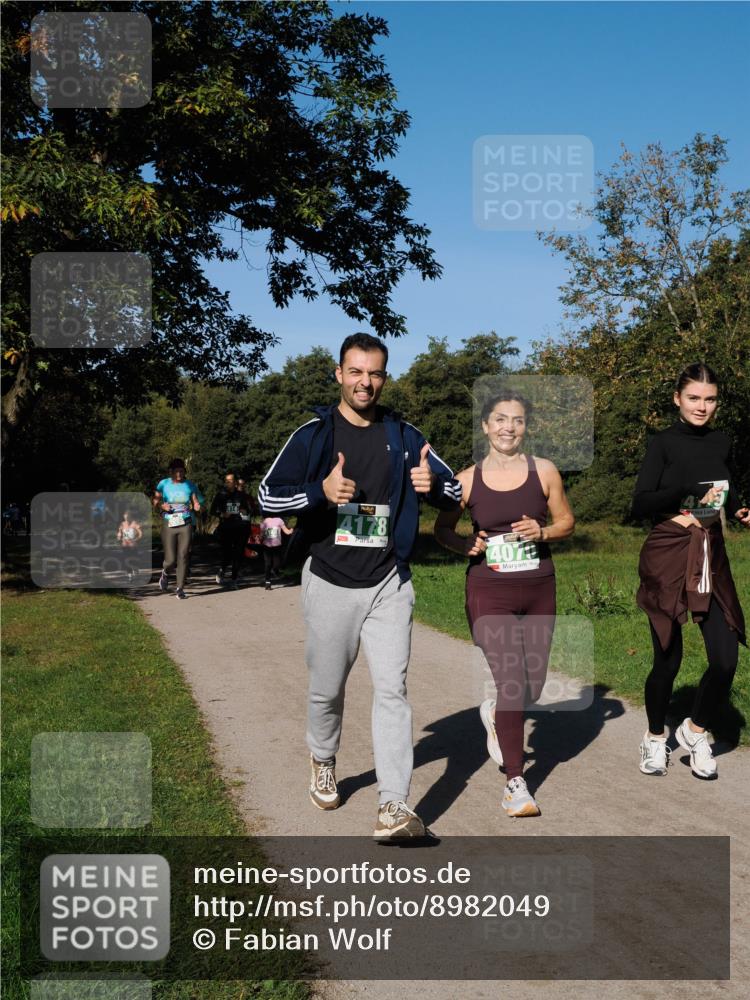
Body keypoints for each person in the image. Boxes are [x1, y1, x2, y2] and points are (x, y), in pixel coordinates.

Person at [259, 332, 462, 840]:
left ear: (385, 377)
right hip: (330, 579)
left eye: (374, 373)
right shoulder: (314, 434)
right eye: (355, 371)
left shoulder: (405, 434)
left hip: (389, 581)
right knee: (327, 690)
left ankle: (393, 805)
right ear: (339, 374)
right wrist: (320, 492)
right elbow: (267, 495)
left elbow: (456, 488)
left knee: (393, 690)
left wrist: (434, 487)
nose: (364, 382)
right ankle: (323, 757)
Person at [434, 391, 575, 817]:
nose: (508, 428)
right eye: (499, 419)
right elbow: (442, 530)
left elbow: (567, 522)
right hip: (489, 590)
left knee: (533, 684)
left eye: (516, 420)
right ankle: (516, 782)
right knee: (512, 680)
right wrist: (465, 544)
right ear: (485, 426)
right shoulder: (466, 480)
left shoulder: (544, 471)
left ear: (525, 427)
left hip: (539, 587)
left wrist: (543, 532)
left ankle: (496, 714)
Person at [632, 362, 748, 779]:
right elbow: (640, 503)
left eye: (710, 399)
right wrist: (682, 492)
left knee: (725, 658)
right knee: (668, 659)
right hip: (668, 552)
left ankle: (695, 731)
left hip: (710, 553)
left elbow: (725, 487)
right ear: (677, 399)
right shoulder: (663, 443)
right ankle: (654, 737)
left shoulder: (720, 441)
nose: (702, 406)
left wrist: (740, 508)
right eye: (694, 398)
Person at [153, 458, 204, 600]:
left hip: (185, 523)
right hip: (169, 523)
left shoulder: (189, 485)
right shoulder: (163, 484)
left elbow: (196, 501)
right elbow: (155, 501)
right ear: (171, 472)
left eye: (182, 471)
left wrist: (197, 506)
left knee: (183, 555)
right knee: (170, 560)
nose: (179, 474)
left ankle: (180, 588)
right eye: (177, 471)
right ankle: (165, 573)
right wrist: (162, 506)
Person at [211, 473, 253, 589]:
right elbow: (212, 510)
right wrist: (222, 514)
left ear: (235, 482)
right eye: (227, 481)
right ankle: (222, 569)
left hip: (240, 527)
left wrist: (245, 511)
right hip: (226, 527)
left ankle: (234, 579)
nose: (229, 483)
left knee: (238, 553)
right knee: (227, 553)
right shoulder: (221, 495)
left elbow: (248, 509)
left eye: (231, 481)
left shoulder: (241, 495)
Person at [259, 514, 293, 589]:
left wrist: (292, 530)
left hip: (277, 546)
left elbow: (286, 531)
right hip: (266, 546)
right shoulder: (265, 521)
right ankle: (267, 581)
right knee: (268, 564)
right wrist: (260, 537)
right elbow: (261, 534)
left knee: (276, 564)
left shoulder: (279, 520)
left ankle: (274, 570)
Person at [117, 509, 144, 582]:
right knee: (126, 560)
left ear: (130, 516)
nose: (126, 519)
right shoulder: (122, 524)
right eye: (125, 517)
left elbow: (140, 533)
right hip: (125, 546)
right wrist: (119, 536)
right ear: (124, 517)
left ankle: (136, 573)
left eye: (128, 517)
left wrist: (137, 539)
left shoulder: (135, 523)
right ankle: (130, 576)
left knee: (134, 560)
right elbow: (119, 532)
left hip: (133, 546)